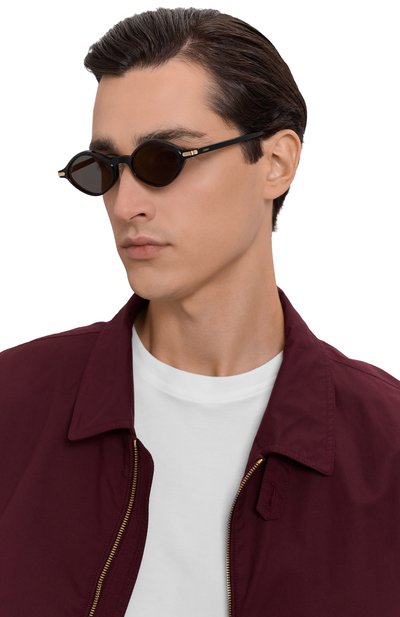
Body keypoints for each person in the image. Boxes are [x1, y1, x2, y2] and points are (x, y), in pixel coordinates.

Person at [1, 7, 399, 617]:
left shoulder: (387, 446)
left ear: (276, 163)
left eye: (165, 160)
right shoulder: (13, 406)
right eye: (104, 170)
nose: (126, 205)